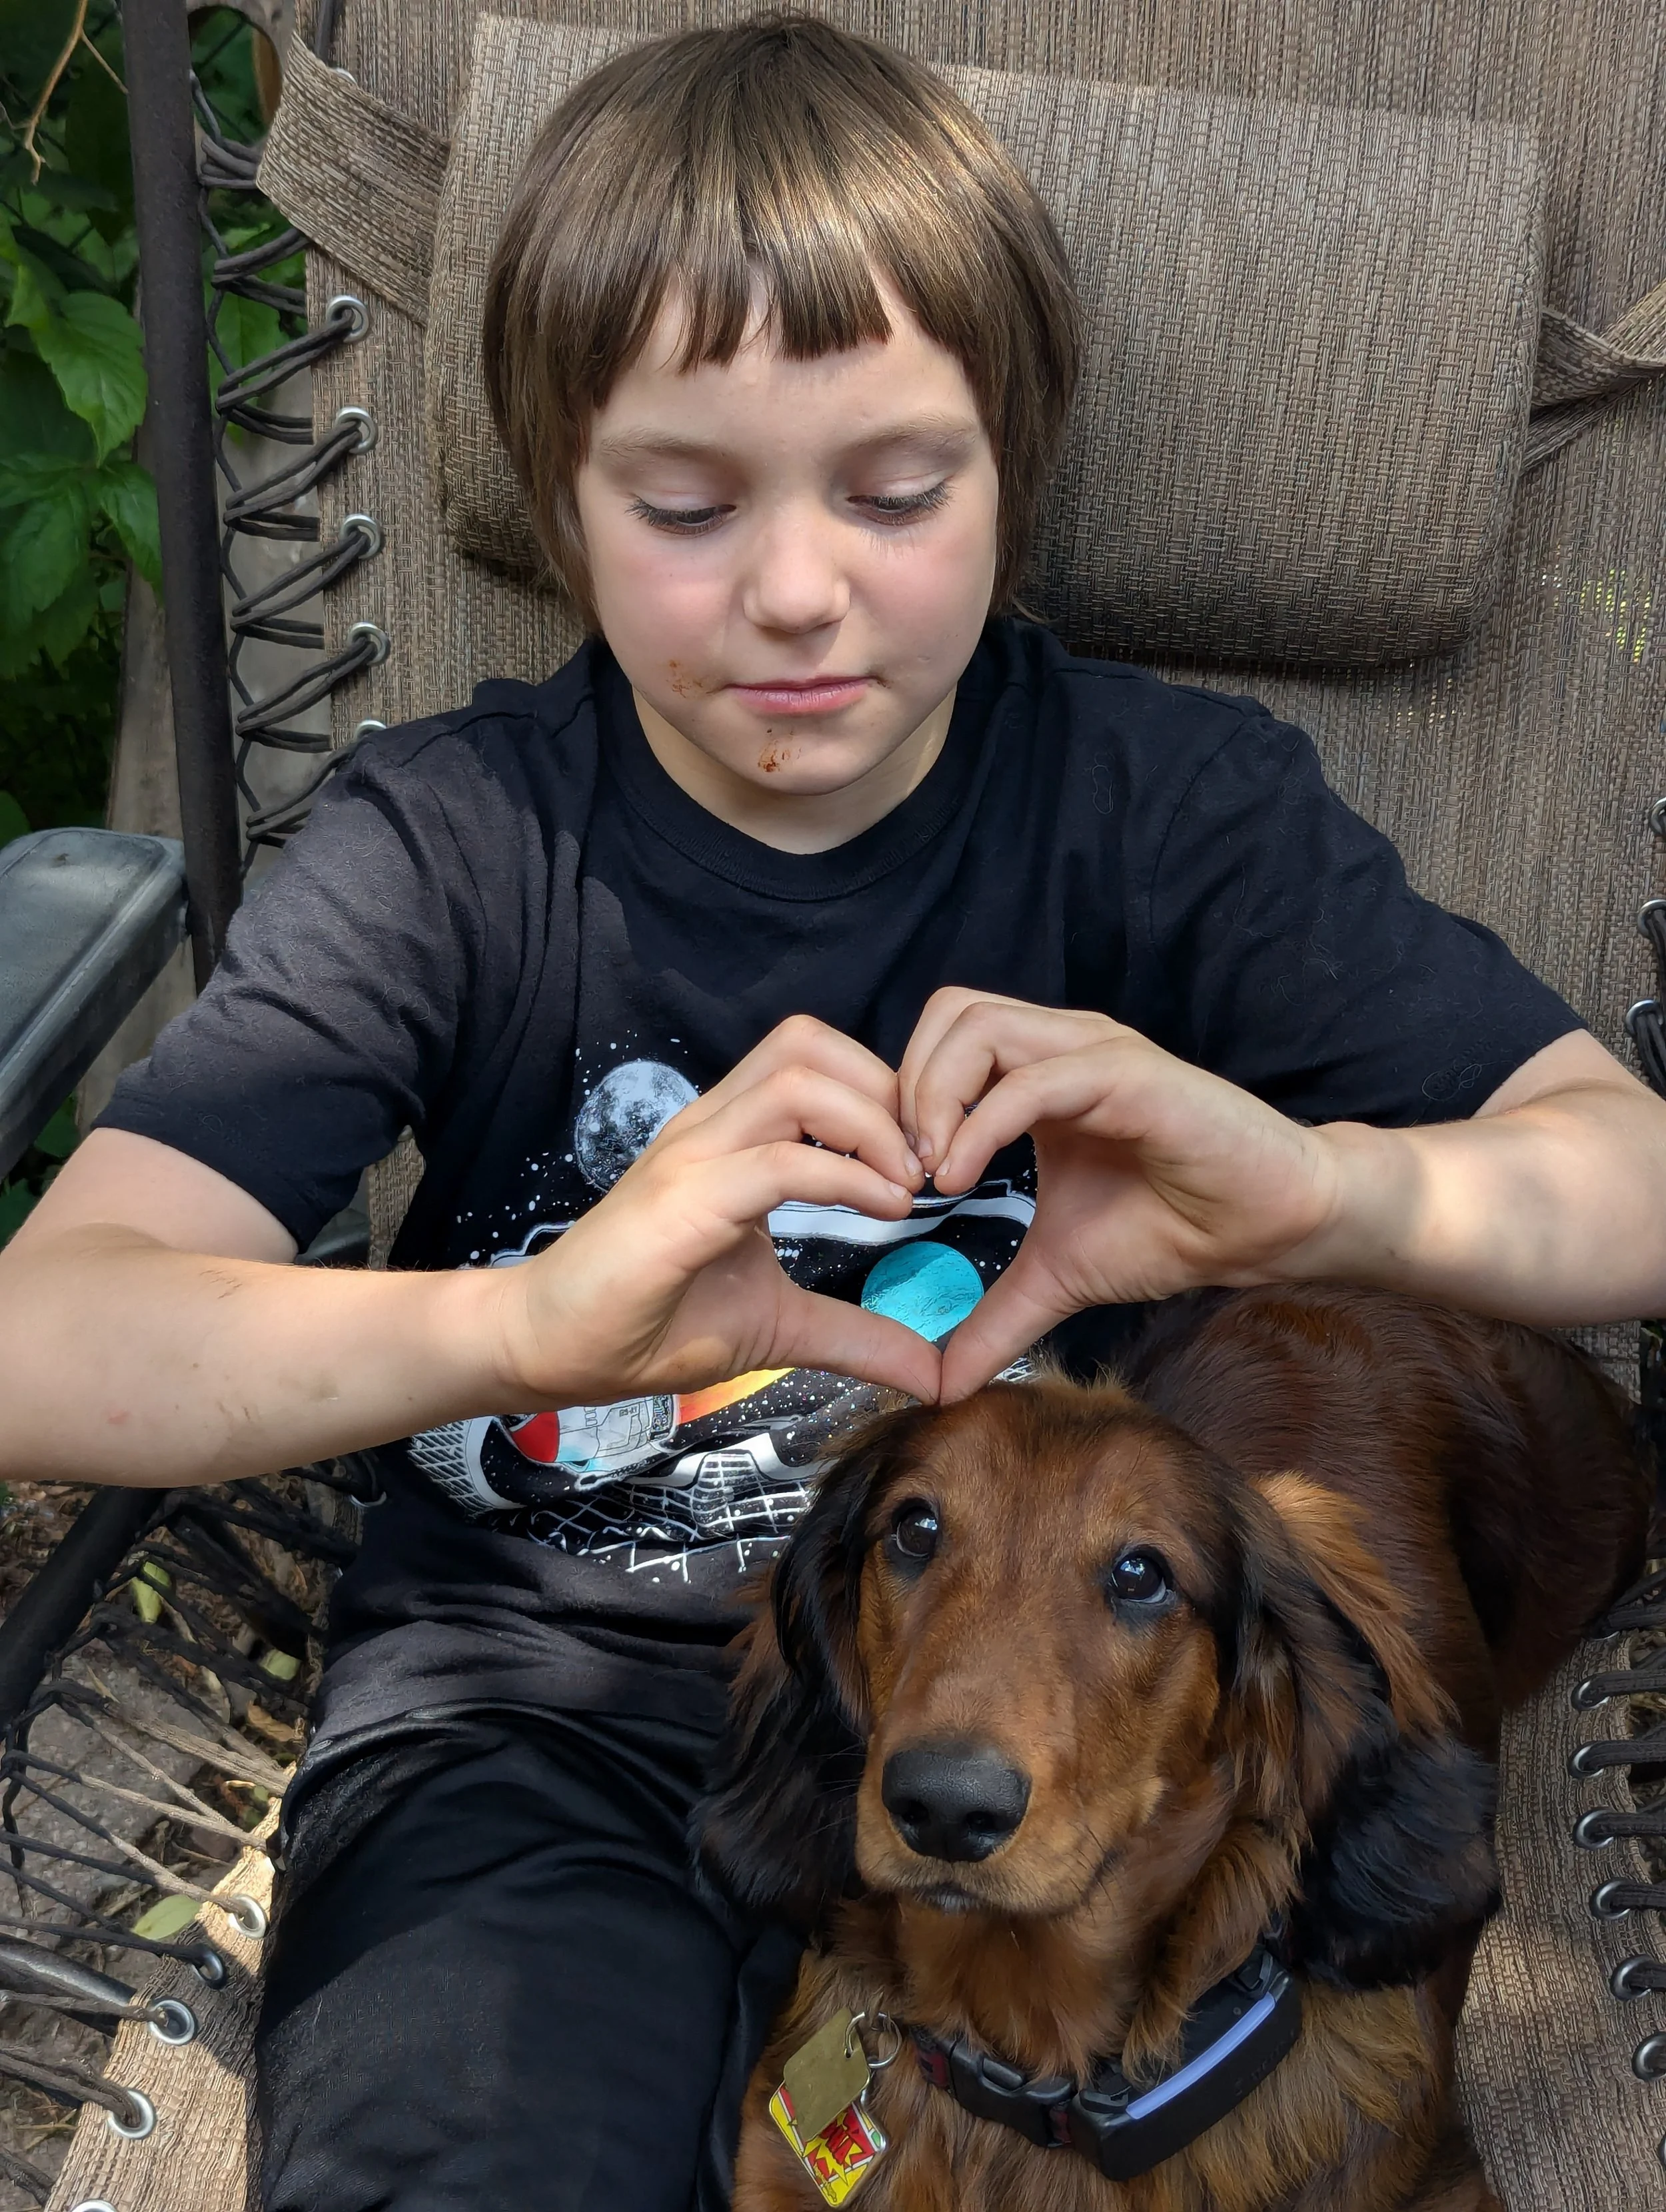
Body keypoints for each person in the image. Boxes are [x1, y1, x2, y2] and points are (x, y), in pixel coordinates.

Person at [2, 15, 1664, 2210]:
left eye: (895, 492)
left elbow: (1627, 1184)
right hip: (541, 1725)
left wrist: (1313, 1187)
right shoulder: (453, 845)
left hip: (1067, 1710)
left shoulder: (1167, 818)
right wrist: (528, 1328)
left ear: (1013, 470)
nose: (797, 587)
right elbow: (46, 1340)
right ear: (557, 498)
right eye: (685, 506)